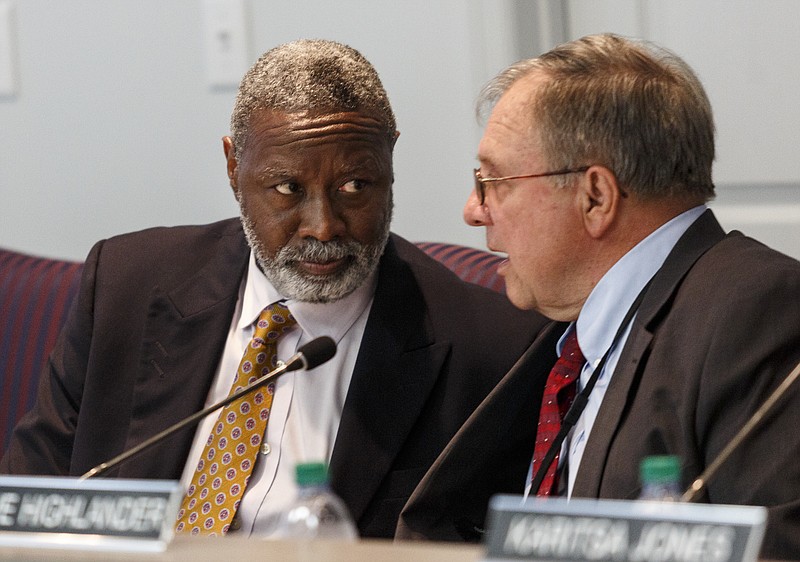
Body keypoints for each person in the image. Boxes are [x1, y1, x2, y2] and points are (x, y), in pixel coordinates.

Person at [0, 39, 555, 539]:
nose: (324, 225)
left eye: (355, 186)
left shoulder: (492, 350)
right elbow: (29, 499)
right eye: (287, 188)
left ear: (391, 162)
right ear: (233, 166)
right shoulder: (126, 284)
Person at [396, 33, 800, 559]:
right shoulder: (563, 334)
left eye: (493, 180)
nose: (474, 211)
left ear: (596, 197)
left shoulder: (758, 313)